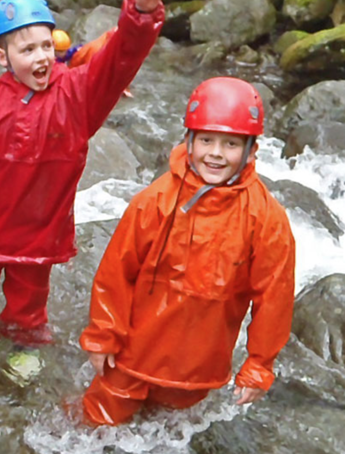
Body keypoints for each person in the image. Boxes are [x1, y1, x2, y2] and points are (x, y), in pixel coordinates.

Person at [0, 0, 165, 346]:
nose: (41, 57)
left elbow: (119, 60)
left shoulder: (78, 95)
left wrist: (140, 14)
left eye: (46, 46)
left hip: (40, 236)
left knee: (29, 309)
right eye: (27, 50)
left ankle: (21, 352)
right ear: (2, 57)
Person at [79, 77, 296, 426]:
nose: (215, 153)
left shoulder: (266, 219)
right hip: (133, 355)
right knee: (94, 425)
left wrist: (258, 364)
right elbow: (117, 272)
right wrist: (103, 335)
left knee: (168, 434)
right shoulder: (155, 201)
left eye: (230, 144)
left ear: (252, 151)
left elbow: (274, 297)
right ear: (189, 141)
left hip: (199, 368)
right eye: (206, 140)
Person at [54, 28, 133, 97]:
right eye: (60, 51)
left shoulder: (110, 45)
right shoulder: (97, 50)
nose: (64, 53)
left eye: (64, 50)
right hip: (78, 68)